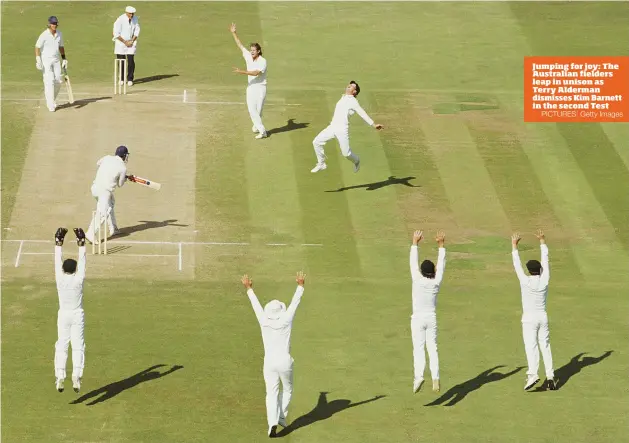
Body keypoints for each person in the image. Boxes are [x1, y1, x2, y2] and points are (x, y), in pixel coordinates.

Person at [242, 272, 306, 438]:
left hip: (269, 363)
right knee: (288, 390)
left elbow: (255, 305)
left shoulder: (264, 320)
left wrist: (249, 288)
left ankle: (272, 423)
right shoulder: (286, 319)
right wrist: (300, 285)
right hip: (284, 361)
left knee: (271, 394)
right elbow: (294, 303)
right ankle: (281, 416)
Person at [511, 230, 556, 391]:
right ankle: (550, 377)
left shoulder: (525, 281)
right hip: (543, 317)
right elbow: (546, 260)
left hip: (529, 319)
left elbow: (517, 265)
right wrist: (542, 241)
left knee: (531, 346)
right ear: (540, 270)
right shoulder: (544, 280)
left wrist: (514, 246)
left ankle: (533, 374)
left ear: (529, 270)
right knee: (545, 345)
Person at [310, 81, 384, 173]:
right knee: (316, 142)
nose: (349, 86)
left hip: (342, 129)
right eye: (349, 85)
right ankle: (321, 163)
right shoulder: (343, 97)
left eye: (352, 86)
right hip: (332, 127)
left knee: (346, 154)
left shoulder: (353, 101)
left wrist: (373, 124)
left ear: (355, 92)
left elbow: (362, 113)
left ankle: (356, 160)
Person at [409, 230, 446, 394]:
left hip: (417, 318)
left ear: (422, 272)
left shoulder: (417, 280)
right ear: (433, 271)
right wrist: (441, 245)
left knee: (419, 348)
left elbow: (412, 263)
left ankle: (418, 377)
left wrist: (415, 243)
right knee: (433, 348)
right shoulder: (436, 281)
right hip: (432, 318)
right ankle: (436, 378)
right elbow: (441, 266)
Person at [53, 227, 87, 393]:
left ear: (63, 270)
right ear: (75, 270)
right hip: (77, 314)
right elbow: (83, 262)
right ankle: (77, 375)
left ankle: (60, 375)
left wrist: (58, 242)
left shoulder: (59, 279)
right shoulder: (79, 279)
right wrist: (81, 243)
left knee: (62, 345)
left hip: (63, 314)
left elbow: (56, 261)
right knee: (78, 346)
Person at [229, 22, 268, 139]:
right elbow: (240, 45)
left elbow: (256, 73)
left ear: (259, 51)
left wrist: (241, 71)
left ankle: (257, 126)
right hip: (251, 87)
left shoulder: (263, 61)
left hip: (261, 87)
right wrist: (234, 33)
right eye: (251, 50)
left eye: (254, 50)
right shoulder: (247, 55)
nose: (251, 52)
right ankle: (263, 131)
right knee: (252, 110)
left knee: (258, 110)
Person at [85, 146, 131, 244]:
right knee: (102, 212)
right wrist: (125, 178)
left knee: (110, 204)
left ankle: (113, 228)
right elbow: (120, 184)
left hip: (95, 187)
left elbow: (98, 163)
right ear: (124, 156)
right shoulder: (123, 168)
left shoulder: (107, 158)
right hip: (104, 192)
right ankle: (90, 233)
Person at [35, 16, 68, 112]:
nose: (54, 25)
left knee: (58, 81)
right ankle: (50, 104)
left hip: (56, 60)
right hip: (46, 61)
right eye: (53, 23)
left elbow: (61, 46)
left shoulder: (59, 34)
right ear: (49, 24)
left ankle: (51, 99)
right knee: (49, 82)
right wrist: (38, 59)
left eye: (55, 23)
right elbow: (37, 47)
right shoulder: (44, 35)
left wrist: (64, 59)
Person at [113, 6, 140, 86]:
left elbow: (137, 31)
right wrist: (125, 42)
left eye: (132, 14)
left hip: (131, 42)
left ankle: (130, 79)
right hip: (121, 43)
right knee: (121, 61)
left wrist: (132, 40)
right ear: (126, 12)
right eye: (130, 14)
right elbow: (115, 33)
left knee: (131, 61)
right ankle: (121, 79)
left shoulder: (135, 19)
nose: (131, 15)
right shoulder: (120, 19)